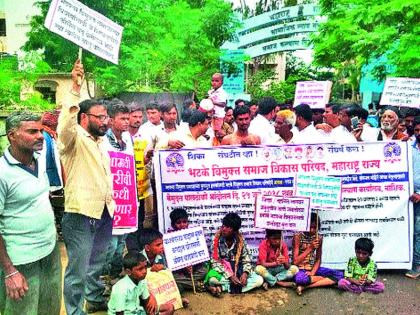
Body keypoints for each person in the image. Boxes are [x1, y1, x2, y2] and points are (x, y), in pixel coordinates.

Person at [58, 60, 115, 314]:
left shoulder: (102, 141)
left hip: (103, 213)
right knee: (77, 272)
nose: (106, 121)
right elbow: (65, 126)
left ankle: (93, 300)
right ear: (84, 117)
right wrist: (75, 87)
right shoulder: (74, 139)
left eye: (107, 117)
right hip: (81, 216)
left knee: (97, 265)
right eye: (100, 117)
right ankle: (74, 311)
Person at [0, 111, 61, 315]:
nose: (40, 136)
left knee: (49, 308)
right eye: (32, 131)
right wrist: (9, 271)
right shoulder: (2, 172)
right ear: (12, 135)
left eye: (40, 131)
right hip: (21, 260)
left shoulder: (40, 161)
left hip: (50, 252)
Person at [206, 213, 264, 294]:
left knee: (259, 280)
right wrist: (230, 276)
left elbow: (246, 259)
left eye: (228, 227)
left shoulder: (241, 241)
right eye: (223, 226)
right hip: (224, 272)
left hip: (238, 270)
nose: (224, 229)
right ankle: (230, 286)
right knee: (212, 280)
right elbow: (215, 262)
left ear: (235, 231)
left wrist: (245, 274)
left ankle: (223, 287)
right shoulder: (216, 240)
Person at [108, 251, 174, 315]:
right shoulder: (121, 288)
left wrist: (152, 311)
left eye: (145, 267)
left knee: (170, 308)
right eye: (140, 269)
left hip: (138, 311)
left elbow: (147, 302)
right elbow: (119, 313)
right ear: (128, 272)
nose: (144, 271)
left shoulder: (142, 281)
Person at [292, 212, 343, 295]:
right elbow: (295, 262)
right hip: (300, 269)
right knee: (300, 279)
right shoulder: (297, 236)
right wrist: (310, 248)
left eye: (314, 227)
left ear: (318, 227)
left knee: (339, 275)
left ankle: (305, 287)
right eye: (310, 227)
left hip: (312, 269)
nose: (312, 230)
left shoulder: (318, 238)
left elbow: (318, 259)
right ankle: (325, 280)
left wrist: (313, 272)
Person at [167, 209, 208, 294]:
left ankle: (189, 284)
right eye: (178, 223)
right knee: (171, 278)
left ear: (188, 222)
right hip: (179, 272)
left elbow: (199, 254)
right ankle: (199, 285)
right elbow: (171, 261)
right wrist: (183, 266)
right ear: (173, 225)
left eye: (184, 222)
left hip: (194, 269)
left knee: (204, 270)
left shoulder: (194, 235)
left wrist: (193, 264)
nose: (182, 225)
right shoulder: (169, 239)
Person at [406, 116, 420, 279]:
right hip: (410, 196)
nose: (418, 133)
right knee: (413, 231)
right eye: (416, 130)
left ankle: (417, 266)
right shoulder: (409, 147)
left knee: (418, 231)